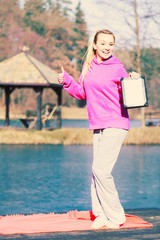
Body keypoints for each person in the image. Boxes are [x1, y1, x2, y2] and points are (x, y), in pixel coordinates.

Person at [58, 29, 140, 229]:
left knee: (101, 170)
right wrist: (67, 80)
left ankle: (117, 216)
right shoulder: (88, 66)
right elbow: (80, 93)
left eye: (110, 44)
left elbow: (132, 95)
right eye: (103, 43)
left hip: (116, 122)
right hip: (98, 124)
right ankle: (100, 215)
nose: (106, 47)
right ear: (94, 45)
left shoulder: (118, 67)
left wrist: (135, 79)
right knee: (96, 173)